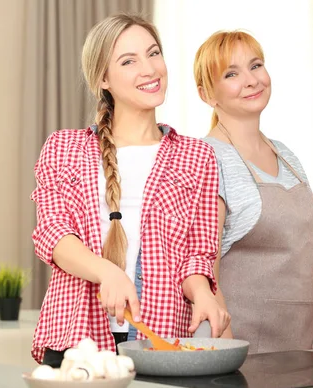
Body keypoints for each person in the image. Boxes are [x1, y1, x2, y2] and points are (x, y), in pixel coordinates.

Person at [30, 13, 229, 367]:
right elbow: (53, 235)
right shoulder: (64, 148)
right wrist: (108, 272)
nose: (149, 69)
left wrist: (203, 295)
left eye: (154, 54)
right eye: (128, 60)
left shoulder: (197, 156)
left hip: (162, 341)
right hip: (76, 342)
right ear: (103, 78)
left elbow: (197, 255)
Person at [193, 30, 313, 354]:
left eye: (256, 65)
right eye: (231, 74)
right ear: (207, 94)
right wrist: (227, 359)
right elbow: (204, 273)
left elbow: (299, 262)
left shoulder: (286, 155)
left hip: (296, 353)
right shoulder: (207, 159)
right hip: (240, 356)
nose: (251, 80)